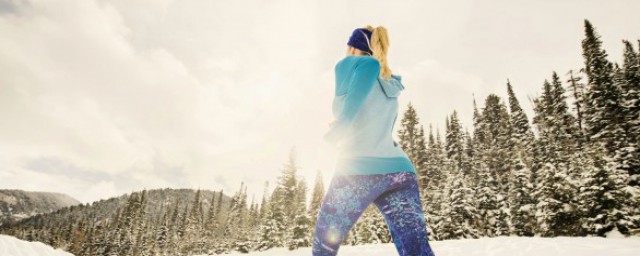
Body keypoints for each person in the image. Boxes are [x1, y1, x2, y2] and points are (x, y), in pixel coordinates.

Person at [312, 25, 437, 256]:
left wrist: (334, 135)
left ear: (352, 46)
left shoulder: (357, 63)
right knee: (416, 251)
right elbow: (372, 121)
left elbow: (349, 112)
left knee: (323, 247)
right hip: (400, 173)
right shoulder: (388, 80)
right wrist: (344, 125)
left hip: (360, 170)